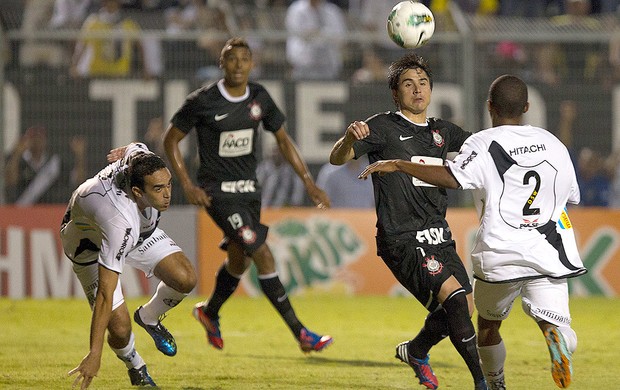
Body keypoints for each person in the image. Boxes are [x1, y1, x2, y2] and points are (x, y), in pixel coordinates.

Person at [358, 74, 587, 389]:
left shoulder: (484, 143)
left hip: (502, 253)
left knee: (488, 325)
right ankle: (557, 338)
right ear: (528, 107)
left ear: (490, 106)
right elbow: (571, 197)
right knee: (558, 324)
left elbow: (454, 177)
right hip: (549, 252)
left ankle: (494, 383)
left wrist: (401, 164)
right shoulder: (554, 144)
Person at [163, 37, 333, 353]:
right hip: (217, 194)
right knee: (262, 252)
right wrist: (187, 185)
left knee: (238, 261)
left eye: (245, 58)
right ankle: (301, 334)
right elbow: (170, 140)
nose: (239, 64)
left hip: (249, 192)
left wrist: (308, 182)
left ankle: (209, 312)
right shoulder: (203, 101)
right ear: (222, 64)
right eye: (231, 58)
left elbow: (283, 140)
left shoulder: (259, 97)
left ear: (252, 64)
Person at [329, 52, 487, 390]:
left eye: (423, 83)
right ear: (395, 93)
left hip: (439, 237)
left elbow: (483, 147)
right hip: (401, 238)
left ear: (431, 89)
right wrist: (349, 139)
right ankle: (482, 383)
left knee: (464, 308)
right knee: (457, 301)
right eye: (408, 84)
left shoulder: (443, 131)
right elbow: (337, 157)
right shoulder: (383, 127)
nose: (417, 90)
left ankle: (416, 351)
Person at [60, 142, 197, 389]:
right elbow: (105, 294)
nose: (167, 194)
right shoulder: (120, 221)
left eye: (169, 184)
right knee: (120, 329)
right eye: (158, 189)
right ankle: (136, 367)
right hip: (90, 246)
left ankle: (149, 318)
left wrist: (125, 149)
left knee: (186, 278)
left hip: (137, 235)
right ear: (137, 191)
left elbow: (136, 146)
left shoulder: (141, 160)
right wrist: (94, 353)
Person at [5, 125, 87, 205]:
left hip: (49, 212)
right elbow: (10, 181)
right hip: (23, 212)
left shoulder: (55, 163)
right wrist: (16, 154)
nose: (37, 141)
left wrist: (79, 155)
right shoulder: (19, 161)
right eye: (33, 137)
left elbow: (78, 180)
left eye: (40, 138)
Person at [285, 0, 347, 80]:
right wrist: (310, 34)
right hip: (302, 67)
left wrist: (322, 35)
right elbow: (294, 36)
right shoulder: (296, 10)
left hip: (328, 68)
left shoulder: (332, 11)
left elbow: (342, 39)